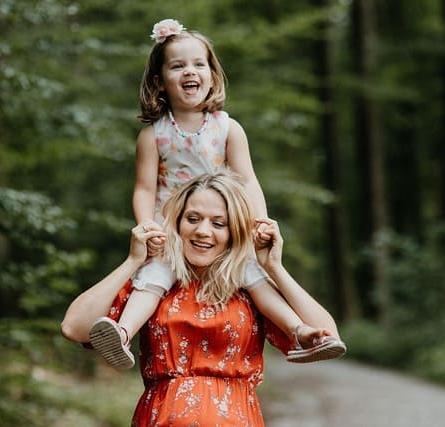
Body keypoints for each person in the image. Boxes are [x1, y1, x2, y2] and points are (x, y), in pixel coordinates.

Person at [87, 18, 346, 370]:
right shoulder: (153, 136)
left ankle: (299, 332)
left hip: (223, 227)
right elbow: (145, 188)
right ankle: (122, 333)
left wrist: (258, 221)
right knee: (153, 279)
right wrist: (148, 226)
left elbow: (248, 179)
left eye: (198, 64)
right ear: (159, 81)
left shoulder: (228, 128)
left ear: (212, 75)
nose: (189, 71)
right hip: (174, 230)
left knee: (254, 277)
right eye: (177, 66)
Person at [61, 171, 346, 426]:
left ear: (234, 231)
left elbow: (328, 336)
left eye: (218, 223)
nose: (203, 231)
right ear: (178, 222)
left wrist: (274, 266)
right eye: (193, 219)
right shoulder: (152, 283)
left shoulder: (249, 289)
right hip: (162, 418)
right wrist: (133, 261)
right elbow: (74, 328)